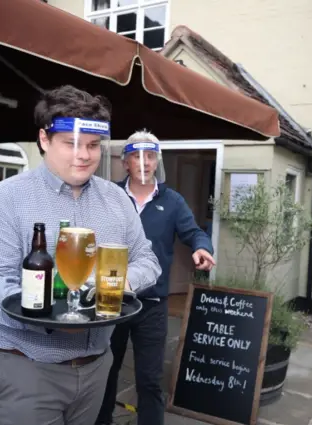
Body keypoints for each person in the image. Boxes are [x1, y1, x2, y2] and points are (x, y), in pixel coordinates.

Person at [0, 85, 161, 425]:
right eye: (70, 143)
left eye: (92, 145)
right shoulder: (4, 200)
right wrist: (49, 313)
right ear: (44, 139)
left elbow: (148, 259)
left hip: (97, 366)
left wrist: (118, 281)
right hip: (26, 367)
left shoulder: (118, 201)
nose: (83, 155)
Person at [96, 130, 215, 425]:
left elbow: (194, 232)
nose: (144, 162)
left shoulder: (172, 201)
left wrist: (202, 248)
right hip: (112, 300)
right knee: (104, 372)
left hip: (152, 303)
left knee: (149, 380)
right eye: (136, 156)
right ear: (125, 162)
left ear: (156, 161)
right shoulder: (109, 196)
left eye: (150, 156)